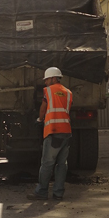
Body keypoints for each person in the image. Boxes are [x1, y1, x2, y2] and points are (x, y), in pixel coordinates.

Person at [34, 66, 73, 200]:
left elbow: (43, 108)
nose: (45, 82)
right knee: (62, 165)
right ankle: (58, 193)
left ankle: (41, 192)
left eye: (47, 79)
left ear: (53, 78)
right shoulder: (68, 92)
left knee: (47, 164)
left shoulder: (49, 91)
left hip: (53, 131)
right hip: (66, 131)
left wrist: (40, 119)